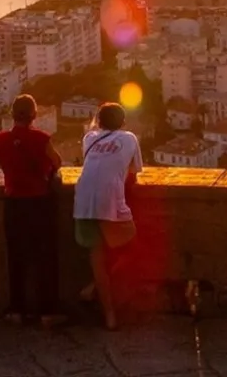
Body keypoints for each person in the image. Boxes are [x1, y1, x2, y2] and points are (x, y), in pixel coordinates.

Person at [0, 94, 65, 327]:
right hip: (39, 204)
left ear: (13, 115)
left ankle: (16, 310)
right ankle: (48, 312)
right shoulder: (41, 138)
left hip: (13, 204)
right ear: (34, 115)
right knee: (45, 258)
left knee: (16, 258)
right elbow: (57, 161)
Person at [73, 102, 142, 330]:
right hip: (110, 200)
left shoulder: (89, 138)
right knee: (133, 244)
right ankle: (95, 288)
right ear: (123, 122)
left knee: (97, 257)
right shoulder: (129, 138)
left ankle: (108, 314)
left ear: (98, 121)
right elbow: (133, 173)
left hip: (83, 200)